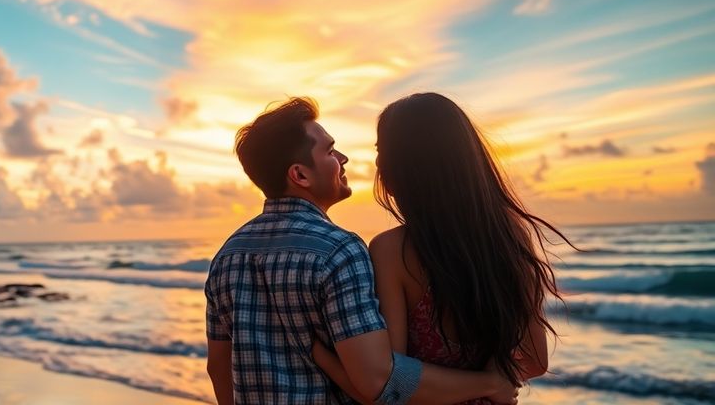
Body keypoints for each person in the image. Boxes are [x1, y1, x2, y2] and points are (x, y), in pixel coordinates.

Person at [205, 97, 517, 405]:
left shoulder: (227, 257)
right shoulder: (339, 251)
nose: (343, 158)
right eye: (329, 150)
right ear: (300, 175)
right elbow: (378, 380)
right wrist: (488, 383)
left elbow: (219, 368)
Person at [313, 92, 567, 404]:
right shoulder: (509, 234)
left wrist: (320, 354)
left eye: (382, 150)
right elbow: (535, 360)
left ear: (408, 164)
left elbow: (392, 381)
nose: (377, 161)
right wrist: (490, 382)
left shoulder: (392, 250)